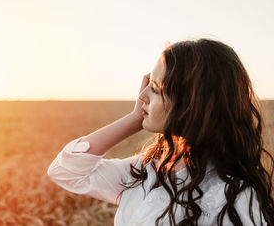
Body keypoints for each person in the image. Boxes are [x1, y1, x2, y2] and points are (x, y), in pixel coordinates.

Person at [47, 38, 274, 225]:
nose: (142, 96)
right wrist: (135, 119)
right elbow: (66, 170)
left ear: (191, 104)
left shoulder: (233, 196)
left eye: (155, 88)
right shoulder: (142, 171)